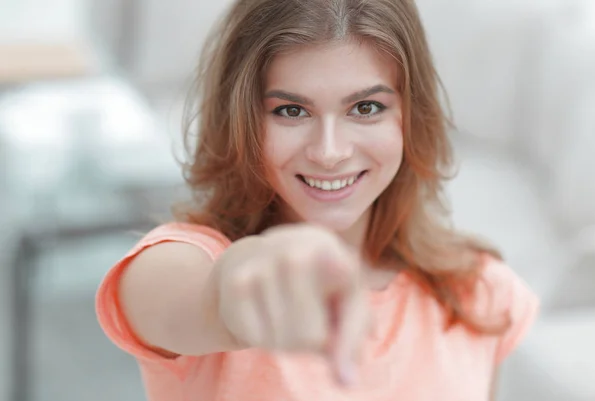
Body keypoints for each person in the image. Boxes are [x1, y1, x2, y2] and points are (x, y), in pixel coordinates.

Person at [96, 0, 539, 400]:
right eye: (291, 111)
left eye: (365, 108)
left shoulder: (479, 293)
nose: (330, 152)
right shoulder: (185, 264)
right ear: (243, 121)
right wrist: (245, 281)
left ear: (410, 116)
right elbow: (196, 298)